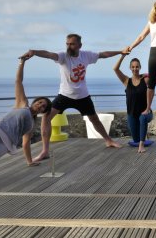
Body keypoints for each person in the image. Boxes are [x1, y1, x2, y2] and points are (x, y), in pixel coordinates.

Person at [20, 34, 128, 162]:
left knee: (95, 120)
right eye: (67, 44)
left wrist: (120, 52)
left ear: (79, 45)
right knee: (46, 118)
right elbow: (49, 54)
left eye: (72, 44)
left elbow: (103, 54)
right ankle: (45, 151)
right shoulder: (63, 56)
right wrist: (34, 52)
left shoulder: (86, 55)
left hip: (83, 96)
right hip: (64, 95)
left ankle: (108, 140)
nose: (68, 46)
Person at [113, 55, 153, 153]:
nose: (135, 69)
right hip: (132, 114)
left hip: (146, 112)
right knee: (135, 140)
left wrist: (147, 74)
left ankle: (142, 145)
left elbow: (155, 77)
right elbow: (115, 68)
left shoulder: (145, 80)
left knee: (142, 118)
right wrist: (122, 55)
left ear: (140, 67)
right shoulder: (126, 81)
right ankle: (141, 139)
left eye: (137, 66)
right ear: (130, 68)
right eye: (133, 67)